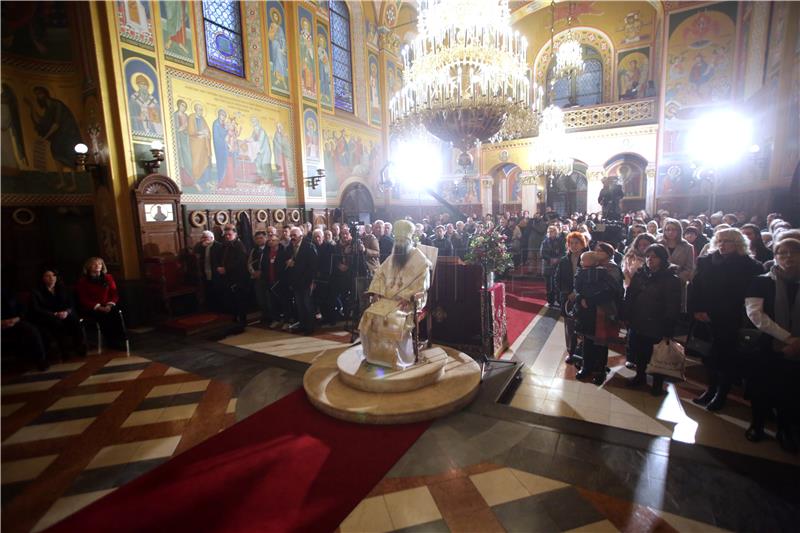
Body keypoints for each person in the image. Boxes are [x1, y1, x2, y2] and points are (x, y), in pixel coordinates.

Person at [689, 228, 764, 411]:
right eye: (720, 241)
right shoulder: (706, 261)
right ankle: (711, 389)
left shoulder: (750, 266)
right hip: (705, 316)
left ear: (738, 244)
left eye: (727, 241)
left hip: (731, 319)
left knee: (726, 358)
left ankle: (721, 394)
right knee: (708, 357)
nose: (722, 245)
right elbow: (695, 286)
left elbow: (748, 296)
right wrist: (697, 309)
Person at [744, 238, 800, 452]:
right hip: (767, 343)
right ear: (775, 256)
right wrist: (788, 338)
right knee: (762, 387)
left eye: (792, 253)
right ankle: (757, 425)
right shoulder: (762, 281)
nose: (787, 258)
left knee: (790, 390)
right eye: (781, 253)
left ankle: (785, 430)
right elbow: (756, 314)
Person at [359, 220, 432, 368]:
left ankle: (400, 359)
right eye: (397, 240)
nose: (399, 243)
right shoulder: (392, 257)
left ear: (410, 240)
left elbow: (423, 284)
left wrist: (408, 297)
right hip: (387, 299)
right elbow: (379, 274)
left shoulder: (420, 260)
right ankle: (374, 357)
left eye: (402, 240)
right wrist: (376, 292)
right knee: (370, 314)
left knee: (394, 319)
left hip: (406, 301)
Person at [624, 244, 681, 395]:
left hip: (657, 321)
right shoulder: (640, 274)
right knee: (640, 351)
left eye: (654, 257)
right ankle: (640, 376)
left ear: (662, 259)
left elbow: (673, 304)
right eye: (648, 256)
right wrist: (626, 314)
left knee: (657, 353)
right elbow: (630, 295)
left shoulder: (670, 278)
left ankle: (657, 383)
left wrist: (669, 325)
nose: (650, 260)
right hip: (639, 319)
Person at [573, 244, 624, 384]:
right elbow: (578, 287)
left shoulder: (611, 269)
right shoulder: (586, 269)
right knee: (588, 341)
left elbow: (611, 291)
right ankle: (587, 367)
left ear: (609, 253)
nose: (597, 252)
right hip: (588, 312)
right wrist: (580, 298)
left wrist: (588, 300)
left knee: (601, 343)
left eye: (601, 250)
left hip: (602, 312)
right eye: (596, 250)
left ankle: (600, 370)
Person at [30, 268, 87, 358]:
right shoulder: (36, 291)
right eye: (48, 276)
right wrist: (55, 314)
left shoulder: (64, 288)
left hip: (65, 314)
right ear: (42, 278)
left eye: (53, 275)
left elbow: (71, 303)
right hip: (48, 316)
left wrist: (66, 312)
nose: (51, 278)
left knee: (75, 321)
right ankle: (64, 351)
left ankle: (80, 347)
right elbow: (36, 308)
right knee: (57, 324)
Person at [76, 257, 128, 350]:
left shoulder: (108, 277)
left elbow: (114, 293)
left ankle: (121, 340)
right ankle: (111, 342)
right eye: (94, 264)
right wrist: (99, 307)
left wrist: (109, 304)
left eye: (99, 264)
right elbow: (84, 299)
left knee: (115, 313)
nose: (97, 266)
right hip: (93, 307)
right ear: (88, 267)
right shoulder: (83, 281)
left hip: (108, 304)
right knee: (103, 316)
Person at [555, 232, 590, 359]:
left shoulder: (588, 259)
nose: (574, 246)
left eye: (577, 243)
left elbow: (590, 281)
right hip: (568, 298)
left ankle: (584, 353)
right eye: (571, 243)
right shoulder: (564, 260)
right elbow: (558, 279)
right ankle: (571, 352)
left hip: (583, 298)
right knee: (569, 328)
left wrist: (577, 293)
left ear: (583, 244)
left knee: (583, 326)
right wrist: (567, 292)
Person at [2, 288, 48, 371]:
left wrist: (16, 319)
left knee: (33, 330)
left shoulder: (7, 292)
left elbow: (21, 308)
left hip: (14, 321)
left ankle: (41, 361)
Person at [286, 226, 318, 334]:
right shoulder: (290, 247)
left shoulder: (309, 246)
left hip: (306, 281)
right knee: (299, 305)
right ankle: (302, 325)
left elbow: (313, 266)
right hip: (296, 281)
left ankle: (310, 327)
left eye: (294, 235)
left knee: (307, 304)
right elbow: (289, 260)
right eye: (291, 235)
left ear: (301, 236)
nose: (292, 237)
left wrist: (313, 281)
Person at [218, 224, 248, 332]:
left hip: (238, 278)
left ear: (235, 234)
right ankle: (233, 321)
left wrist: (226, 268)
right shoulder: (225, 245)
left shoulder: (239, 246)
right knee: (231, 300)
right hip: (228, 278)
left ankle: (242, 323)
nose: (227, 236)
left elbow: (240, 262)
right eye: (225, 235)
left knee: (239, 301)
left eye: (229, 234)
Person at [194, 230, 223, 311]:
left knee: (217, 290)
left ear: (211, 238)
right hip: (205, 272)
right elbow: (195, 252)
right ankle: (210, 307)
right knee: (208, 290)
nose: (203, 239)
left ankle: (219, 308)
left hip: (216, 272)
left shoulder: (218, 246)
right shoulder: (201, 246)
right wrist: (201, 245)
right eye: (202, 237)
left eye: (205, 237)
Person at [248, 231, 270, 324]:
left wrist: (262, 272)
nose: (259, 240)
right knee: (260, 298)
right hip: (257, 278)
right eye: (257, 238)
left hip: (267, 277)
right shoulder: (254, 250)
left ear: (266, 238)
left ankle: (272, 316)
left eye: (261, 238)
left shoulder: (269, 249)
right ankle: (264, 316)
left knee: (269, 298)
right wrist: (253, 272)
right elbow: (249, 263)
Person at [540, 225, 564, 306]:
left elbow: (563, 252)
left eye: (552, 231)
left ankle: (558, 299)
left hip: (557, 264)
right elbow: (542, 253)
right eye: (549, 231)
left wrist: (557, 259)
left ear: (556, 232)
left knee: (557, 283)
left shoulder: (560, 241)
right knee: (548, 284)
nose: (550, 233)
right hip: (548, 265)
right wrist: (550, 259)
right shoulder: (545, 241)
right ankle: (550, 300)